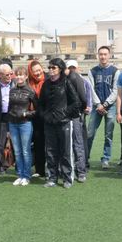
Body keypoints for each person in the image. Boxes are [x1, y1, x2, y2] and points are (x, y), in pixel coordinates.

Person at [38, 58, 81, 188]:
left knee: (66, 151)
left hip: (64, 122)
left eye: (54, 67)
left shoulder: (66, 82)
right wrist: (44, 115)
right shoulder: (46, 84)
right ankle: (52, 178)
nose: (51, 70)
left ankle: (68, 178)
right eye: (49, 67)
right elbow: (41, 103)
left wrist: (64, 113)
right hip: (49, 123)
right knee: (50, 151)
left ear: (60, 69)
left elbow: (76, 102)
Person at [87, 46, 120, 170]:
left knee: (108, 135)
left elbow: (116, 90)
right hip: (97, 107)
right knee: (90, 133)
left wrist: (105, 104)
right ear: (98, 55)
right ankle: (85, 158)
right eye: (101, 54)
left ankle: (105, 159)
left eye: (105, 54)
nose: (103, 56)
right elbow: (91, 89)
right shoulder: (92, 71)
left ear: (109, 55)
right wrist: (98, 104)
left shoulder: (115, 71)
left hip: (110, 107)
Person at [8, 66, 37, 186]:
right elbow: (9, 107)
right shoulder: (12, 90)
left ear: (26, 76)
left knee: (25, 151)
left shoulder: (30, 91)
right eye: (17, 75)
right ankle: (20, 175)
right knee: (17, 151)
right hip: (12, 124)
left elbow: (38, 110)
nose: (19, 77)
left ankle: (26, 176)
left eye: (21, 75)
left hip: (25, 124)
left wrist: (26, 114)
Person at [66, 60, 89, 182]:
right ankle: (72, 170)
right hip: (68, 115)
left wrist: (82, 109)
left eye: (73, 67)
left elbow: (84, 97)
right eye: (70, 67)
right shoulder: (66, 79)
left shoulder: (76, 79)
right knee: (71, 143)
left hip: (75, 115)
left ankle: (81, 171)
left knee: (77, 143)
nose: (72, 69)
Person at [27, 60, 46, 178]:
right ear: (30, 72)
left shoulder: (48, 80)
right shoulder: (27, 83)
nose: (38, 73)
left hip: (48, 118)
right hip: (34, 119)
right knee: (38, 145)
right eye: (35, 71)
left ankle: (55, 169)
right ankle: (40, 170)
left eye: (39, 70)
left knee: (52, 145)